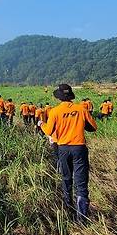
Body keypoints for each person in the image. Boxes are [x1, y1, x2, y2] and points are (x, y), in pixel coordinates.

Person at [38, 84, 97, 223]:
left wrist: (41, 124)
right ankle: (82, 218)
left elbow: (49, 131)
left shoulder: (55, 111)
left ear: (59, 97)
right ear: (70, 96)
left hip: (63, 148)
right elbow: (93, 127)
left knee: (66, 178)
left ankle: (68, 208)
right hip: (79, 148)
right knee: (81, 183)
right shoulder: (81, 109)